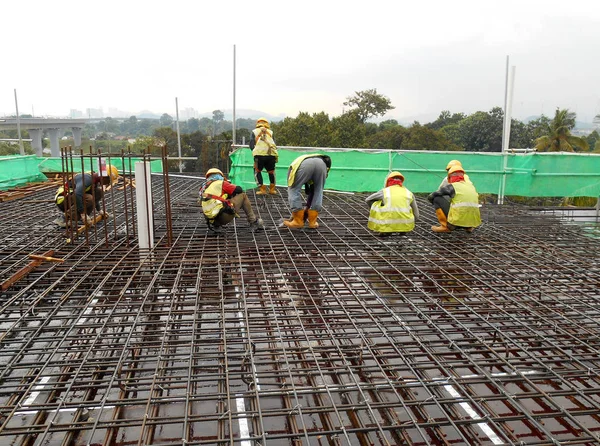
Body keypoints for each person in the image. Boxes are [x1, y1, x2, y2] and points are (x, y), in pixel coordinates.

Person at [200, 168, 264, 233]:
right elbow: (239, 190)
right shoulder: (220, 183)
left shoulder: (204, 187)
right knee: (243, 196)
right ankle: (253, 221)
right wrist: (229, 184)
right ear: (219, 176)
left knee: (217, 201)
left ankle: (216, 226)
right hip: (223, 217)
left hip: (211, 220)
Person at [54, 165, 119, 228]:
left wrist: (100, 211)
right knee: (89, 198)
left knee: (98, 192)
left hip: (71, 198)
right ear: (104, 177)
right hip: (63, 200)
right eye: (109, 181)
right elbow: (77, 194)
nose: (108, 183)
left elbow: (94, 196)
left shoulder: (94, 180)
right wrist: (83, 213)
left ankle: (79, 217)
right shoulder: (87, 179)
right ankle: (63, 218)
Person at [428, 164, 481, 233]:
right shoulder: (471, 186)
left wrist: (433, 202)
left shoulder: (453, 186)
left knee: (437, 199)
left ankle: (445, 227)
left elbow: (432, 196)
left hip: (457, 220)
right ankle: (468, 227)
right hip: (472, 221)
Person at [284, 154, 331, 229]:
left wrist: (297, 210)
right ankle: (313, 222)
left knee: (294, 189)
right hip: (321, 165)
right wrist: (308, 207)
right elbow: (314, 192)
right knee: (318, 191)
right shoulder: (324, 163)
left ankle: (297, 221)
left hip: (304, 165)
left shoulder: (302, 160)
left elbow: (295, 190)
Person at [366, 171, 419, 235]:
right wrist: (411, 222)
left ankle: (387, 229)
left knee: (376, 202)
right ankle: (402, 229)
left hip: (387, 224)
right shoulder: (408, 192)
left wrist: (375, 211)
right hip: (406, 224)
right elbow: (416, 214)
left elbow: (368, 199)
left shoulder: (385, 191)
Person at [249, 117, 278, 195]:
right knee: (271, 172)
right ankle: (272, 189)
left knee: (257, 171)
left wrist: (254, 153)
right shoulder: (271, 132)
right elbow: (274, 144)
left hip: (259, 155)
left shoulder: (254, 132)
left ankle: (262, 189)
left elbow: (251, 144)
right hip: (271, 155)